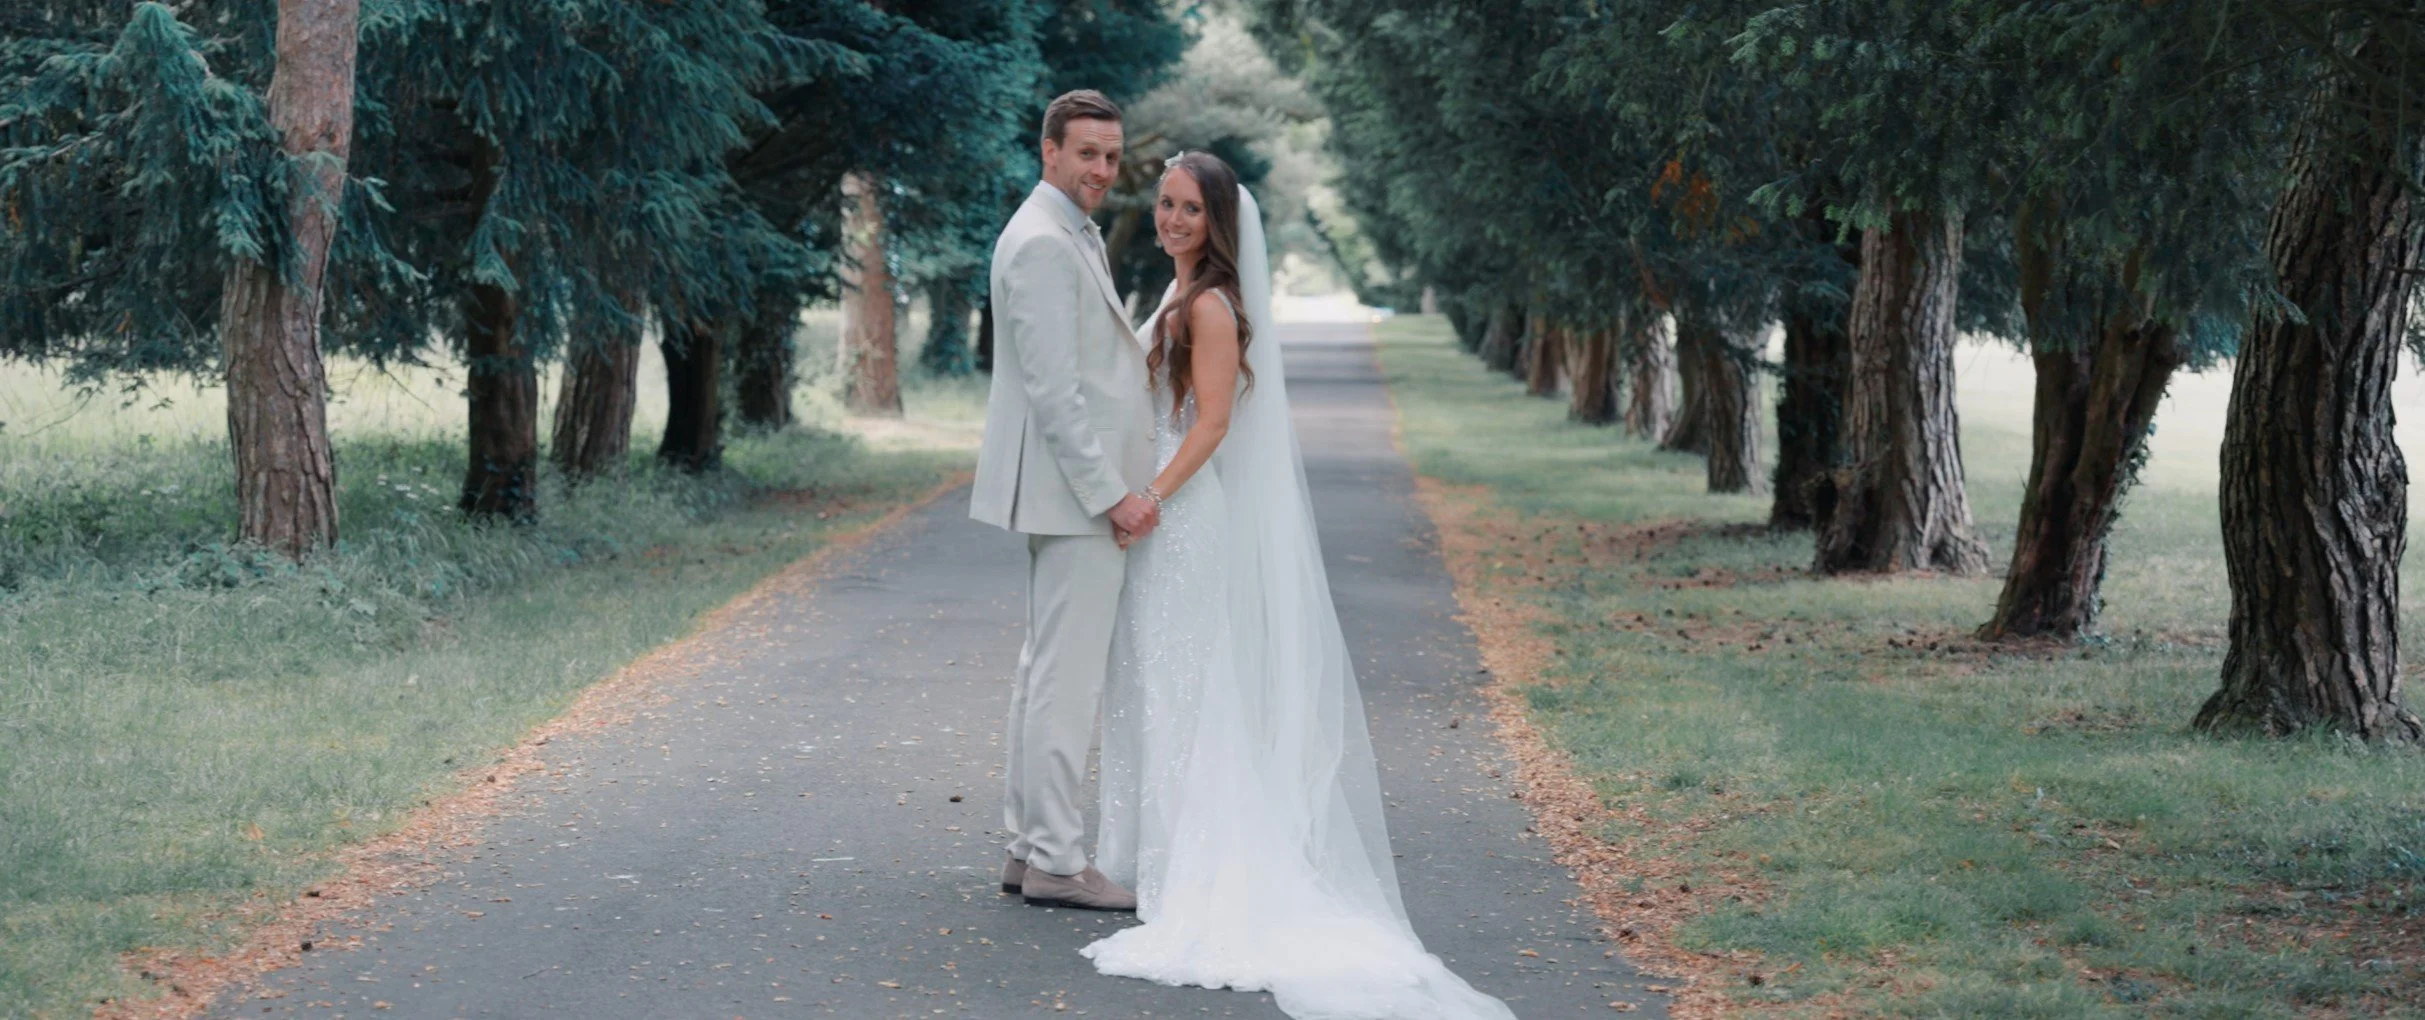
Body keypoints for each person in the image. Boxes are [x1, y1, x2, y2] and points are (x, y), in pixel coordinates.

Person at [1082, 150, 1518, 1020]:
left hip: (1179, 518)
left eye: (1189, 212)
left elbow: (1208, 423)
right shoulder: (1175, 291)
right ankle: (1155, 855)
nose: (1170, 221)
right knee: (1160, 686)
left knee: (1189, 690)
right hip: (1160, 515)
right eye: (1164, 204)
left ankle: (1200, 868)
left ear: (1219, 227)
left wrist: (1147, 500)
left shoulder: (1207, 305)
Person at [968, 89, 1157, 913]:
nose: (1101, 170)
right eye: (1086, 153)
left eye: (1112, 157)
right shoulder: (1043, 241)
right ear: (1048, 150)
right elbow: (1054, 392)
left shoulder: (1061, 232)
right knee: (1065, 679)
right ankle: (1054, 858)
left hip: (1061, 492)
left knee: (1044, 670)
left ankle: (1025, 845)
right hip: (1073, 493)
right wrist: (1111, 494)